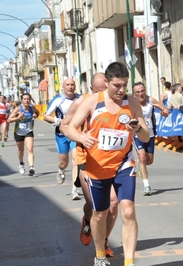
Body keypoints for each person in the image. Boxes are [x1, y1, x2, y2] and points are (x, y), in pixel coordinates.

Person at [64, 62, 150, 266]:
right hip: (97, 166)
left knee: (127, 210)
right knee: (100, 213)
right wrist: (82, 138)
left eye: (124, 85)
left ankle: (129, 262)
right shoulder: (93, 102)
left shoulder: (132, 103)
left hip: (123, 163)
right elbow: (70, 128)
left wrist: (137, 129)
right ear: (106, 82)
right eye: (117, 86)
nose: (121, 90)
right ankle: (100, 255)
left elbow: (145, 136)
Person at [61, 72, 118, 256]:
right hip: (87, 160)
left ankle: (104, 241)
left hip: (111, 159)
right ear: (92, 89)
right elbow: (64, 125)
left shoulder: (117, 101)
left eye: (105, 90)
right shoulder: (81, 102)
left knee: (114, 203)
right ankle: (87, 219)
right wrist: (80, 137)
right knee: (95, 205)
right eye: (99, 90)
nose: (103, 94)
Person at [44, 78, 81, 200]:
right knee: (64, 162)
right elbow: (46, 116)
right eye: (68, 85)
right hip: (62, 133)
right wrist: (58, 121)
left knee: (76, 161)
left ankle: (74, 189)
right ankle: (61, 170)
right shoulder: (58, 99)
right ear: (63, 87)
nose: (70, 87)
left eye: (72, 85)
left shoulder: (80, 99)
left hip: (76, 133)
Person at [133, 82, 169, 195]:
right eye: (137, 92)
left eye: (142, 91)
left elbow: (164, 109)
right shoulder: (132, 103)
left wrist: (165, 112)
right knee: (142, 157)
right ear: (135, 93)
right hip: (137, 133)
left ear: (145, 91)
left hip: (150, 134)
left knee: (149, 161)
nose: (140, 94)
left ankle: (141, 165)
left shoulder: (151, 100)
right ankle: (146, 186)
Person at [7, 93, 39, 176]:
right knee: (21, 150)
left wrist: (36, 115)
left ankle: (31, 167)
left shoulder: (32, 108)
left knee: (30, 149)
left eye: (28, 99)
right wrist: (18, 117)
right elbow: (9, 120)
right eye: (24, 99)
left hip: (28, 131)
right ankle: (21, 164)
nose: (26, 100)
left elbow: (37, 113)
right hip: (19, 132)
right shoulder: (18, 109)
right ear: (22, 100)